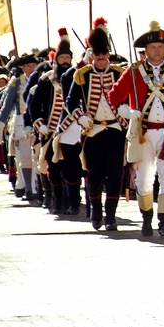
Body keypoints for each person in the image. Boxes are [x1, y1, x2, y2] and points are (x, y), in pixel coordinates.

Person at [108, 22, 164, 238]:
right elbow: (113, 96)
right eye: (152, 48)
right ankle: (147, 218)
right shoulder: (134, 72)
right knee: (144, 179)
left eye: (160, 47)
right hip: (143, 134)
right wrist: (127, 111)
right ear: (145, 51)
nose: (157, 51)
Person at [62, 19, 127, 231]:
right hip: (93, 131)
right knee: (94, 173)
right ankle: (96, 211)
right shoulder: (82, 75)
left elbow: (129, 96)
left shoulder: (119, 73)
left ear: (108, 54)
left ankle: (111, 216)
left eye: (104, 55)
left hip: (116, 130)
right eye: (97, 56)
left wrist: (126, 110)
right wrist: (81, 116)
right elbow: (70, 101)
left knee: (115, 174)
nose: (100, 59)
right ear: (92, 55)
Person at [27, 31, 75, 214]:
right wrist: (41, 124)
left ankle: (73, 202)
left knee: (71, 168)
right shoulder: (46, 80)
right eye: (62, 57)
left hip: (71, 129)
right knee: (53, 168)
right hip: (50, 131)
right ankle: (56, 199)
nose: (65, 61)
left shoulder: (76, 77)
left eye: (67, 57)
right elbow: (34, 106)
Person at [0, 54, 41, 203]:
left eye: (33, 65)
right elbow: (7, 105)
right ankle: (28, 188)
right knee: (24, 158)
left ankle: (37, 187)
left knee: (38, 158)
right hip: (21, 121)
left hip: (38, 122)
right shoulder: (16, 83)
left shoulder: (43, 80)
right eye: (28, 66)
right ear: (22, 68)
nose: (31, 68)